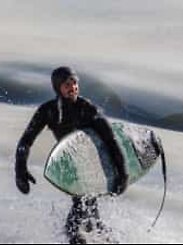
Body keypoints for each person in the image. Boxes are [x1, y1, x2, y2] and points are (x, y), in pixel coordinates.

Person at [14, 66, 129, 244]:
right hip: (74, 169)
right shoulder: (48, 111)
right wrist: (20, 169)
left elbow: (111, 141)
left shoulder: (88, 109)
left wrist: (123, 174)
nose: (72, 87)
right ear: (57, 87)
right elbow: (26, 141)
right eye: (67, 84)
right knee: (91, 220)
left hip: (93, 167)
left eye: (74, 83)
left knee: (74, 226)